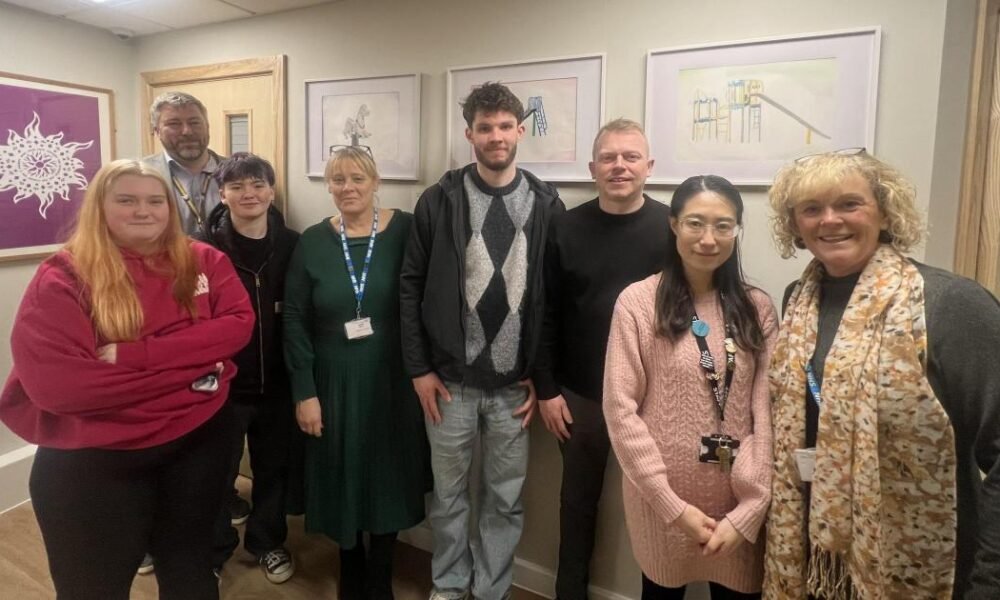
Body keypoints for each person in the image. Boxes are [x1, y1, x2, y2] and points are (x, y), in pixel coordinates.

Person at [0, 159, 254, 600]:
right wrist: (197, 369)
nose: (143, 211)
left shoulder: (203, 260)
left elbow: (238, 326)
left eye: (155, 201)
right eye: (127, 200)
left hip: (197, 445)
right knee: (93, 588)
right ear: (100, 206)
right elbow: (61, 390)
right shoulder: (63, 278)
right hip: (96, 461)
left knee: (191, 572)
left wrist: (138, 355)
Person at [764, 150, 1000, 599]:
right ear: (795, 225)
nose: (829, 220)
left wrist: (991, 581)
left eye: (849, 204)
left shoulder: (951, 304)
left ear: (886, 212)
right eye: (811, 209)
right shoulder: (798, 300)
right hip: (813, 556)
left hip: (925, 565)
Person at [400, 82, 564, 600]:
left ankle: (491, 590)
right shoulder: (440, 199)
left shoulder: (546, 203)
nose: (496, 136)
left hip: (514, 386)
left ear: (520, 131)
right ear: (469, 134)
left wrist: (542, 374)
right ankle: (449, 587)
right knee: (448, 499)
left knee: (504, 501)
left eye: (505, 126)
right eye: (485, 127)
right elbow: (410, 286)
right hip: (450, 383)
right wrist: (419, 368)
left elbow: (553, 298)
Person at [604, 175, 777, 600]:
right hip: (660, 501)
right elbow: (620, 410)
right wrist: (670, 505)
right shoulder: (637, 303)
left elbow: (770, 411)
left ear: (737, 230)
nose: (708, 238)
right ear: (674, 225)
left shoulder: (757, 307)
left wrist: (751, 509)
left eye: (723, 225)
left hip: (739, 501)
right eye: (695, 223)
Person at [284, 146, 429, 600]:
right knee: (341, 470)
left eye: (357, 178)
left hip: (394, 378)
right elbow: (294, 318)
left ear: (375, 182)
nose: (347, 187)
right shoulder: (312, 241)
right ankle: (350, 566)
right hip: (333, 379)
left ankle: (381, 573)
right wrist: (304, 391)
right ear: (328, 186)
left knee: (388, 473)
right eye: (338, 179)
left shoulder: (407, 230)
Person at [533, 118, 670, 600]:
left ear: (649, 166)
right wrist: (547, 389)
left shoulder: (674, 228)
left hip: (653, 397)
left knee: (659, 506)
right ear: (592, 169)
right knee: (577, 506)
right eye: (608, 158)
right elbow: (544, 312)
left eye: (630, 157)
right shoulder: (564, 227)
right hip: (580, 396)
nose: (619, 166)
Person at [195, 152, 300, 584]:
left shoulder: (293, 244)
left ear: (272, 191)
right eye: (237, 186)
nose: (249, 194)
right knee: (217, 474)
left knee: (273, 469)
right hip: (224, 385)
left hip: (278, 381)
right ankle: (214, 550)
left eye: (258, 184)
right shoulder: (202, 250)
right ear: (222, 194)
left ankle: (267, 542)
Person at [143, 91, 225, 235]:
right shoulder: (139, 176)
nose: (187, 131)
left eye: (194, 122)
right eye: (174, 124)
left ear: (207, 126)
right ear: (157, 131)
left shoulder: (239, 171)